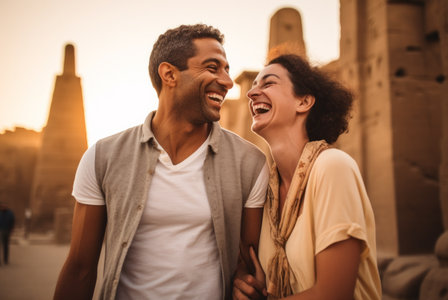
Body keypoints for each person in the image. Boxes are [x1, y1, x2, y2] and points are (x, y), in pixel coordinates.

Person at [54, 24, 269, 300]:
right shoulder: (103, 157)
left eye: (227, 69)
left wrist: (244, 281)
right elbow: (80, 269)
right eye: (213, 67)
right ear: (169, 74)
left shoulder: (249, 163)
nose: (227, 81)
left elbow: (248, 264)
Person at [232, 54, 382, 300]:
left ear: (304, 102)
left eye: (268, 83)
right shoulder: (267, 191)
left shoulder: (333, 167)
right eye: (253, 86)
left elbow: (333, 294)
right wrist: (243, 283)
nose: (251, 94)